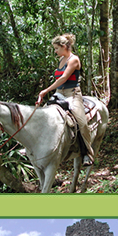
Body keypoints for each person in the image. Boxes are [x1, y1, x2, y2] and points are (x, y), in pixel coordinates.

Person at [36, 33, 94, 165]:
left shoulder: (73, 60)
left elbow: (63, 78)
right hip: (59, 93)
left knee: (81, 122)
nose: (55, 51)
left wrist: (45, 91)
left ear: (64, 47)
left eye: (56, 48)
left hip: (72, 94)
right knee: (43, 116)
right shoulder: (61, 59)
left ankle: (87, 153)